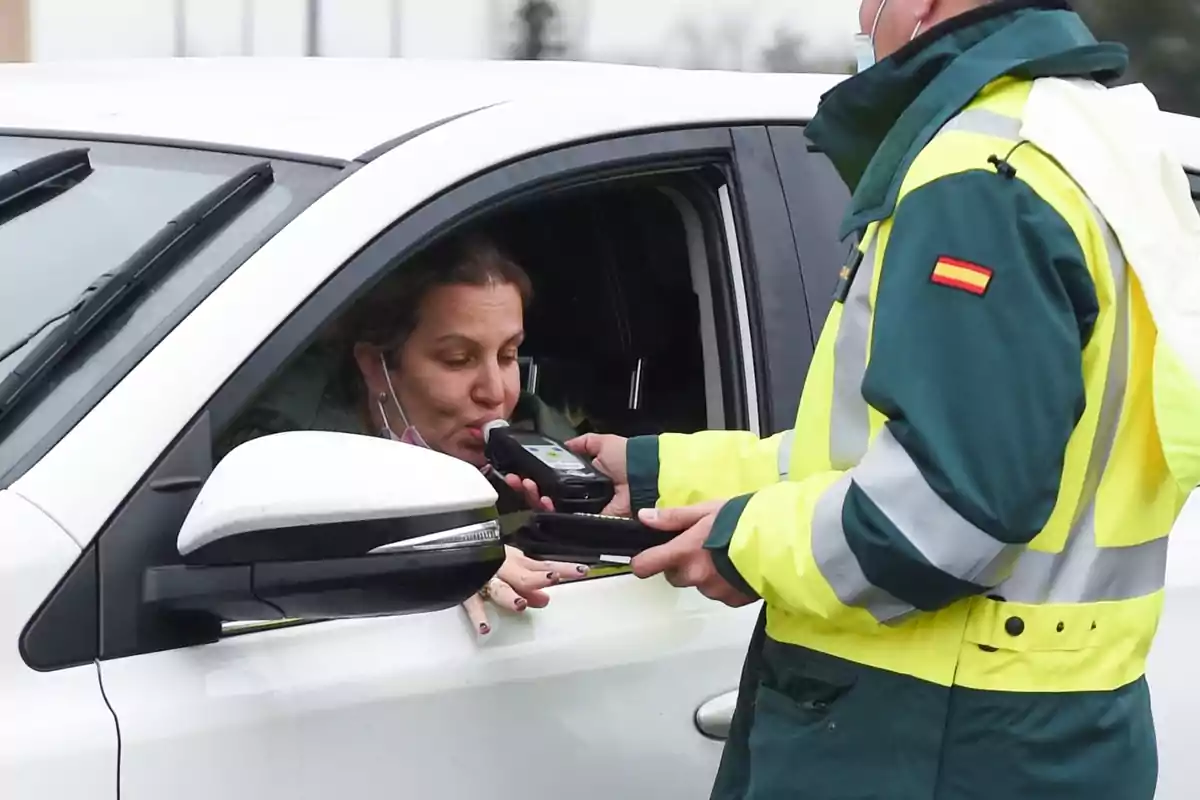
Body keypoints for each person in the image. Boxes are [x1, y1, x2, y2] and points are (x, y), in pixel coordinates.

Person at [565, 1, 1199, 798]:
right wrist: (665, 475)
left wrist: (740, 542)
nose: (865, 15)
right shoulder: (1104, 143)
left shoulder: (981, 174)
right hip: (1045, 724)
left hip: (932, 733)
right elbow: (876, 458)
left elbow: (942, 516)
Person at [220, 232, 591, 635]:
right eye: (458, 359)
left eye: (507, 356)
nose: (495, 392)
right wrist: (441, 561)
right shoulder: (280, 462)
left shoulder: (556, 451)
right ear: (376, 368)